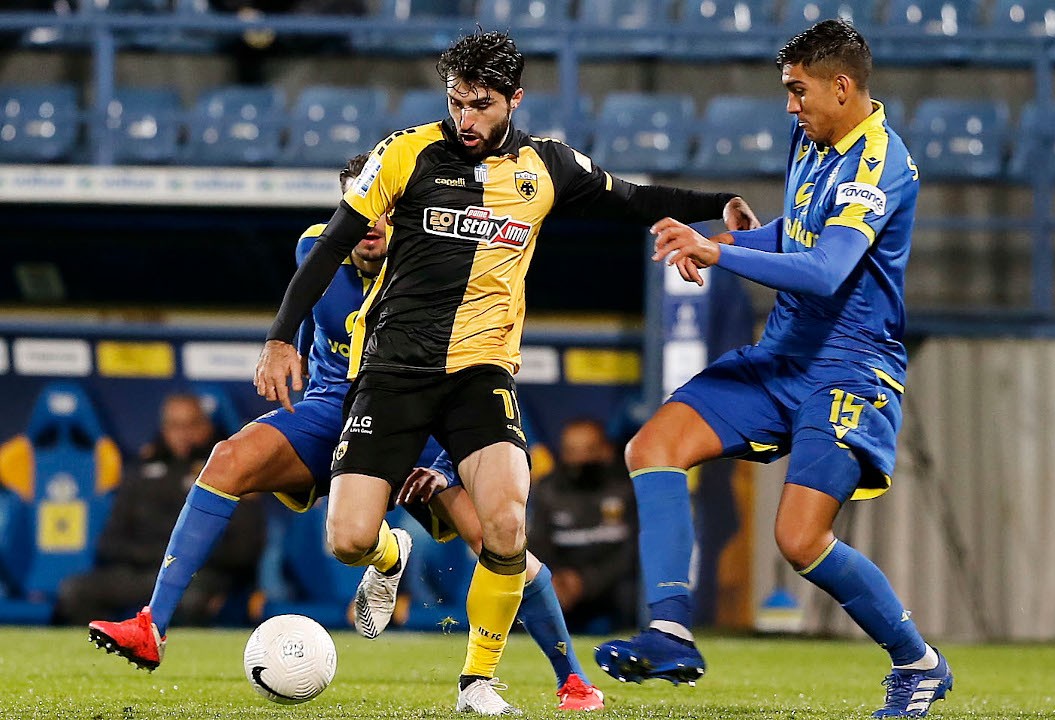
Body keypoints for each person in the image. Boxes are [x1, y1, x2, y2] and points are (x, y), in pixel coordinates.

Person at [254, 29, 757, 715]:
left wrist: (717, 203)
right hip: (393, 371)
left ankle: (477, 683)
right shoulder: (404, 153)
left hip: (480, 374)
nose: (465, 118)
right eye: (456, 102)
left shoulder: (545, 167)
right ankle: (388, 555)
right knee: (347, 540)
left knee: (506, 525)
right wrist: (280, 338)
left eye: (481, 105)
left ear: (514, 99)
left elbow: (631, 197)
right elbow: (331, 243)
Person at [87, 154, 605, 713]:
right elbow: (307, 313)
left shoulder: (443, 263)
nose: (371, 223)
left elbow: (475, 377)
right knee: (229, 460)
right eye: (359, 208)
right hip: (335, 405)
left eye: (386, 209)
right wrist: (285, 348)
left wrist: (446, 464)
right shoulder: (315, 249)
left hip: (424, 414)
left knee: (495, 539)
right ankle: (153, 625)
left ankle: (572, 679)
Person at [596, 20, 954, 719]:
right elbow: (797, 233)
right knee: (653, 446)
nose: (789, 105)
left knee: (799, 539)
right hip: (784, 355)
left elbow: (825, 270)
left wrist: (720, 253)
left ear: (841, 87)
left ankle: (919, 663)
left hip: (851, 368)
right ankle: (670, 631)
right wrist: (715, 241)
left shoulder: (878, 162)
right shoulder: (811, 139)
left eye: (798, 90)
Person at [59, 394, 263, 626]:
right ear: (164, 428)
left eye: (191, 424)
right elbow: (109, 542)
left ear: (206, 426)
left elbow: (244, 549)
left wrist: (184, 560)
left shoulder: (228, 471)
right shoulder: (141, 471)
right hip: (141, 571)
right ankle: (111, 646)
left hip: (197, 575)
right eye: (175, 426)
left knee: (193, 599)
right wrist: (162, 556)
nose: (183, 434)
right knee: (75, 591)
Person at [528, 419, 638, 633]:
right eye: (572, 451)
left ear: (606, 450)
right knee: (530, 590)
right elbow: (538, 546)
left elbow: (632, 552)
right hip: (563, 582)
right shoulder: (549, 490)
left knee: (632, 591)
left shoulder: (627, 487)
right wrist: (557, 580)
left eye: (588, 450)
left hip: (611, 583)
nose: (580, 460)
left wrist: (586, 582)